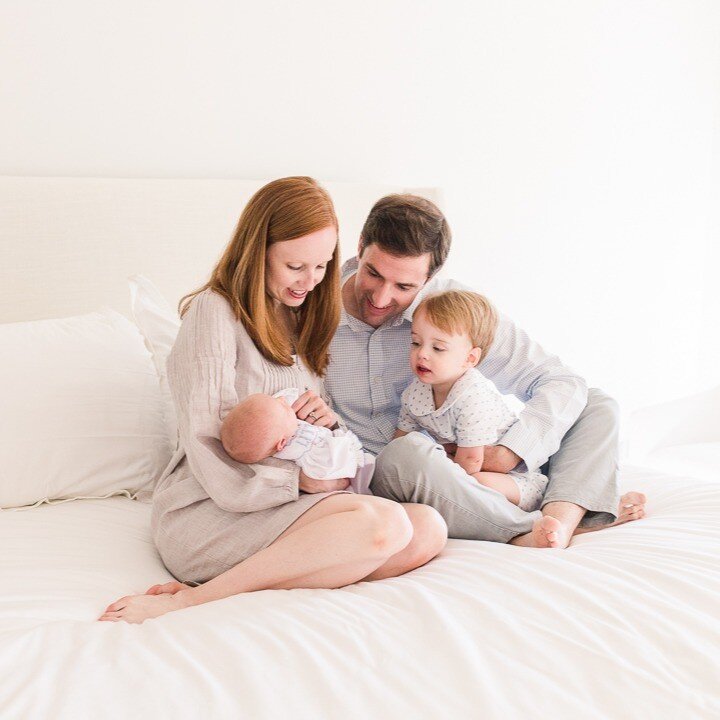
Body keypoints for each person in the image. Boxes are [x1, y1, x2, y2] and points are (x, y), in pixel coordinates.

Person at [98, 178, 447, 624]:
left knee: (426, 531)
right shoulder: (214, 313)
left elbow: (297, 433)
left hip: (281, 505)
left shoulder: (300, 316)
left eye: (322, 266)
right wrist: (297, 484)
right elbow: (206, 448)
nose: (311, 281)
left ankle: (263, 577)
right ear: (257, 250)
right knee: (387, 526)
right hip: (211, 508)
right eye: (295, 266)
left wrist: (328, 423)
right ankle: (190, 599)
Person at [324, 194, 646, 550]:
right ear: (360, 248)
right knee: (407, 452)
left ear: (431, 277)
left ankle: (562, 523)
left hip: (472, 464)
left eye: (404, 287)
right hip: (393, 468)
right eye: (373, 274)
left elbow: (561, 381)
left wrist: (509, 453)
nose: (382, 298)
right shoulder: (312, 305)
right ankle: (526, 527)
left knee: (597, 405)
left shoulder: (451, 310)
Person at [396, 290, 548, 512]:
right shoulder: (415, 392)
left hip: (515, 480)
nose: (422, 354)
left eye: (438, 348)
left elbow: (471, 462)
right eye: (416, 343)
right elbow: (401, 441)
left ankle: (523, 522)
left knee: (477, 484)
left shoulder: (472, 397)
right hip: (463, 468)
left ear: (470, 358)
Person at [220, 389, 374, 495]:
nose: (282, 399)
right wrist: (340, 439)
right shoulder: (295, 450)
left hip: (359, 458)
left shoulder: (280, 427)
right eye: (283, 407)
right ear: (281, 443)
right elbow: (329, 470)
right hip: (353, 476)